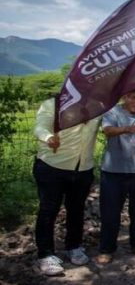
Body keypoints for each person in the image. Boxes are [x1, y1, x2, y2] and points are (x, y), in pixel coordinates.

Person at [32, 98, 101, 276]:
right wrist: (48, 137)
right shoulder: (52, 105)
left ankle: (74, 246)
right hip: (51, 166)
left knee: (76, 209)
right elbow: (39, 127)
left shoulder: (96, 107)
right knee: (49, 209)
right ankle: (45, 255)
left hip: (83, 168)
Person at [96, 90, 135, 264]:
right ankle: (106, 249)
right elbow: (107, 130)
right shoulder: (112, 112)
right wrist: (128, 129)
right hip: (114, 171)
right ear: (125, 97)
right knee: (110, 212)